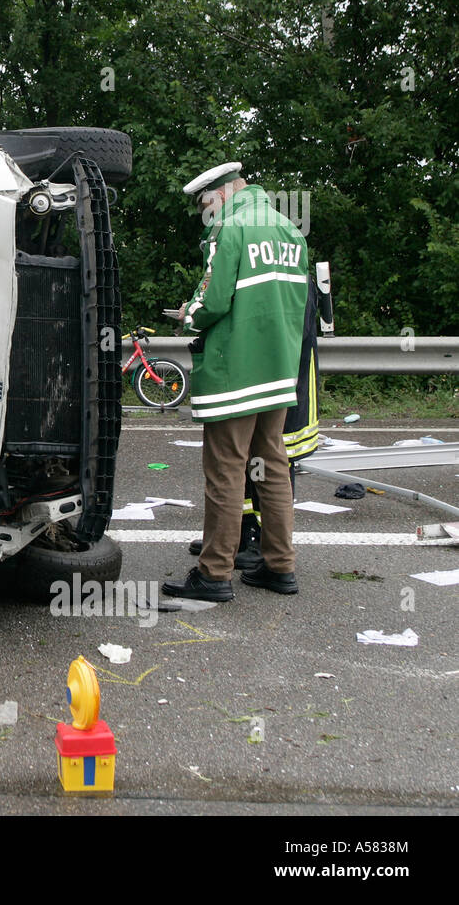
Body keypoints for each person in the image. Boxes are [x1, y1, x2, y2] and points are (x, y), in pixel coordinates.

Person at [162, 162, 309, 601]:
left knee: (226, 471)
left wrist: (187, 314)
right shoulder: (289, 230)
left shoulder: (230, 229)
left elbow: (212, 300)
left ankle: (214, 574)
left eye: (206, 204)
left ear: (223, 193)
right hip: (279, 369)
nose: (206, 214)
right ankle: (279, 566)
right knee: (273, 466)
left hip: (236, 372)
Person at [187, 272, 322, 570]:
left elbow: (218, 307)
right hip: (273, 380)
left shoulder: (270, 271)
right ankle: (241, 539)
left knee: (263, 462)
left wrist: (191, 315)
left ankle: (254, 542)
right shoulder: (285, 262)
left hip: (274, 381)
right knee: (255, 463)